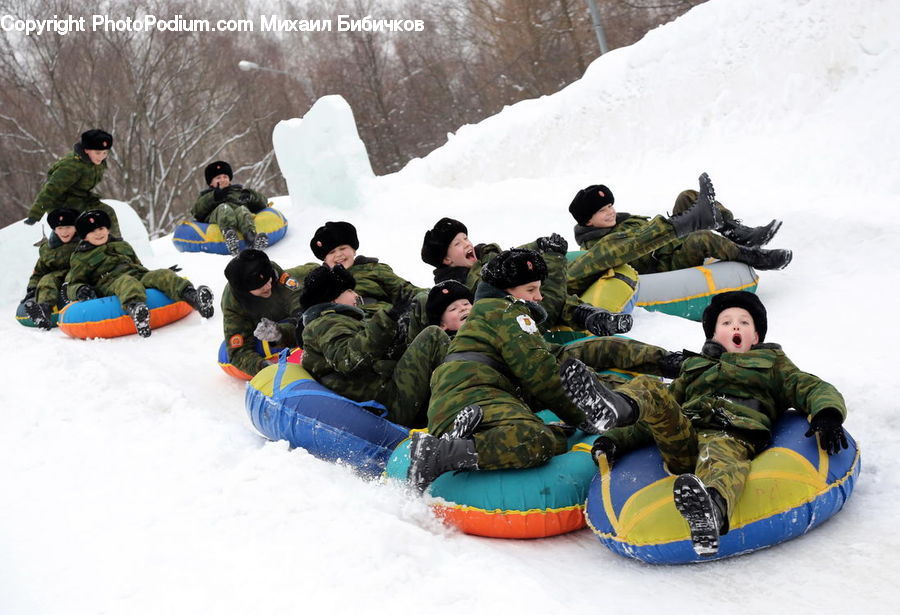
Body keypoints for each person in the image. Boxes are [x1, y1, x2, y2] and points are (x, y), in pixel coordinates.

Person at [559, 291, 848, 557]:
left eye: (744, 323)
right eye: (727, 322)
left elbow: (810, 387)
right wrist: (617, 440)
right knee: (653, 388)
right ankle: (614, 409)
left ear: (756, 336)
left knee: (719, 457)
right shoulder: (695, 368)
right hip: (685, 434)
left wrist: (828, 414)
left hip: (731, 433)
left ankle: (710, 510)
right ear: (713, 333)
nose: (736, 327)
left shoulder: (772, 364)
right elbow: (661, 410)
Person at [407, 249, 685, 492]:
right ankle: (443, 453)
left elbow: (546, 363)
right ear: (508, 291)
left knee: (550, 430)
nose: (539, 297)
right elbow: (543, 377)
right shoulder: (509, 314)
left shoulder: (488, 315)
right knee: (536, 440)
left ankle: (463, 438)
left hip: (462, 397)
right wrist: (585, 416)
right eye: (531, 290)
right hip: (476, 393)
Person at [567, 174, 792, 294]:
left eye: (610, 206)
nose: (610, 212)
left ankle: (740, 233)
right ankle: (757, 258)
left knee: (687, 197)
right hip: (664, 262)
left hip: (667, 243)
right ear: (588, 220)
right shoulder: (595, 248)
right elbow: (638, 255)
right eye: (602, 211)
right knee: (701, 239)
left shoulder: (622, 220)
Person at [420, 217, 633, 338]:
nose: (467, 244)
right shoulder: (458, 289)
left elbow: (514, 254)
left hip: (540, 289)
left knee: (598, 259)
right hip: (533, 309)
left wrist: (540, 245)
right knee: (541, 292)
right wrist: (554, 259)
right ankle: (589, 316)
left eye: (466, 238)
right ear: (446, 260)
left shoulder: (485, 254)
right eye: (458, 244)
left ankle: (590, 314)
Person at [299, 264, 450, 428]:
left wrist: (397, 332)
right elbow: (350, 360)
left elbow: (372, 356)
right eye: (349, 291)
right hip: (389, 405)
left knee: (420, 308)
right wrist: (387, 319)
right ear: (333, 298)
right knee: (433, 336)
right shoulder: (326, 323)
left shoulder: (339, 321)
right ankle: (461, 396)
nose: (356, 295)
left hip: (388, 393)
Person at [65, 209, 215, 338]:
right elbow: (73, 283)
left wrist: (158, 276)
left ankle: (194, 298)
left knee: (162, 274)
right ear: (84, 236)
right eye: (92, 231)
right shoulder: (81, 256)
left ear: (108, 229)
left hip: (137, 273)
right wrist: (80, 289)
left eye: (101, 229)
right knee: (128, 282)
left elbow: (137, 265)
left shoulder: (122, 245)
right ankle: (138, 311)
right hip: (110, 282)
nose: (98, 233)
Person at [222, 249, 317, 377]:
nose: (267, 286)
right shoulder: (233, 305)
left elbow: (295, 297)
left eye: (268, 280)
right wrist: (263, 367)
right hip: (259, 325)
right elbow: (238, 352)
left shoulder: (272, 272)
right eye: (260, 286)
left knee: (313, 272)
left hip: (285, 311)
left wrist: (296, 318)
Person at [24, 129, 121, 236]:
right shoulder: (71, 166)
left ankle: (115, 245)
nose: (102, 156)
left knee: (107, 213)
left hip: (79, 199)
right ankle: (58, 244)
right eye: (98, 153)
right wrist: (35, 214)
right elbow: (51, 190)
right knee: (79, 224)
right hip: (61, 204)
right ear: (86, 150)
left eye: (105, 152)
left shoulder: (97, 162)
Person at [310, 221, 425, 308]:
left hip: (384, 321)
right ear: (325, 260)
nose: (339, 255)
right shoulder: (319, 283)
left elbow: (404, 290)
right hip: (345, 327)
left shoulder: (373, 269)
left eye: (343, 248)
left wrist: (433, 297)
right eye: (332, 252)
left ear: (354, 251)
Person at [191, 160, 269, 255]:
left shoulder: (238, 191)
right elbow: (196, 211)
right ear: (211, 183)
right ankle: (230, 237)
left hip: (238, 214)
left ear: (230, 179)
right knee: (224, 208)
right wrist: (215, 195)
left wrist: (250, 195)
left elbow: (263, 202)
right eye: (218, 178)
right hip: (218, 216)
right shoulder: (207, 195)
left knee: (242, 210)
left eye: (225, 177)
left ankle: (251, 237)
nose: (223, 179)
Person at [22, 208, 80, 329]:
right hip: (57, 279)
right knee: (47, 279)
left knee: (73, 275)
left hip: (78, 275)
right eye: (60, 228)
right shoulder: (48, 249)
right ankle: (44, 311)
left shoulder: (83, 242)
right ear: (54, 230)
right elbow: (39, 270)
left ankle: (73, 301)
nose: (64, 232)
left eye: (68, 227)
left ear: (75, 227)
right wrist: (32, 287)